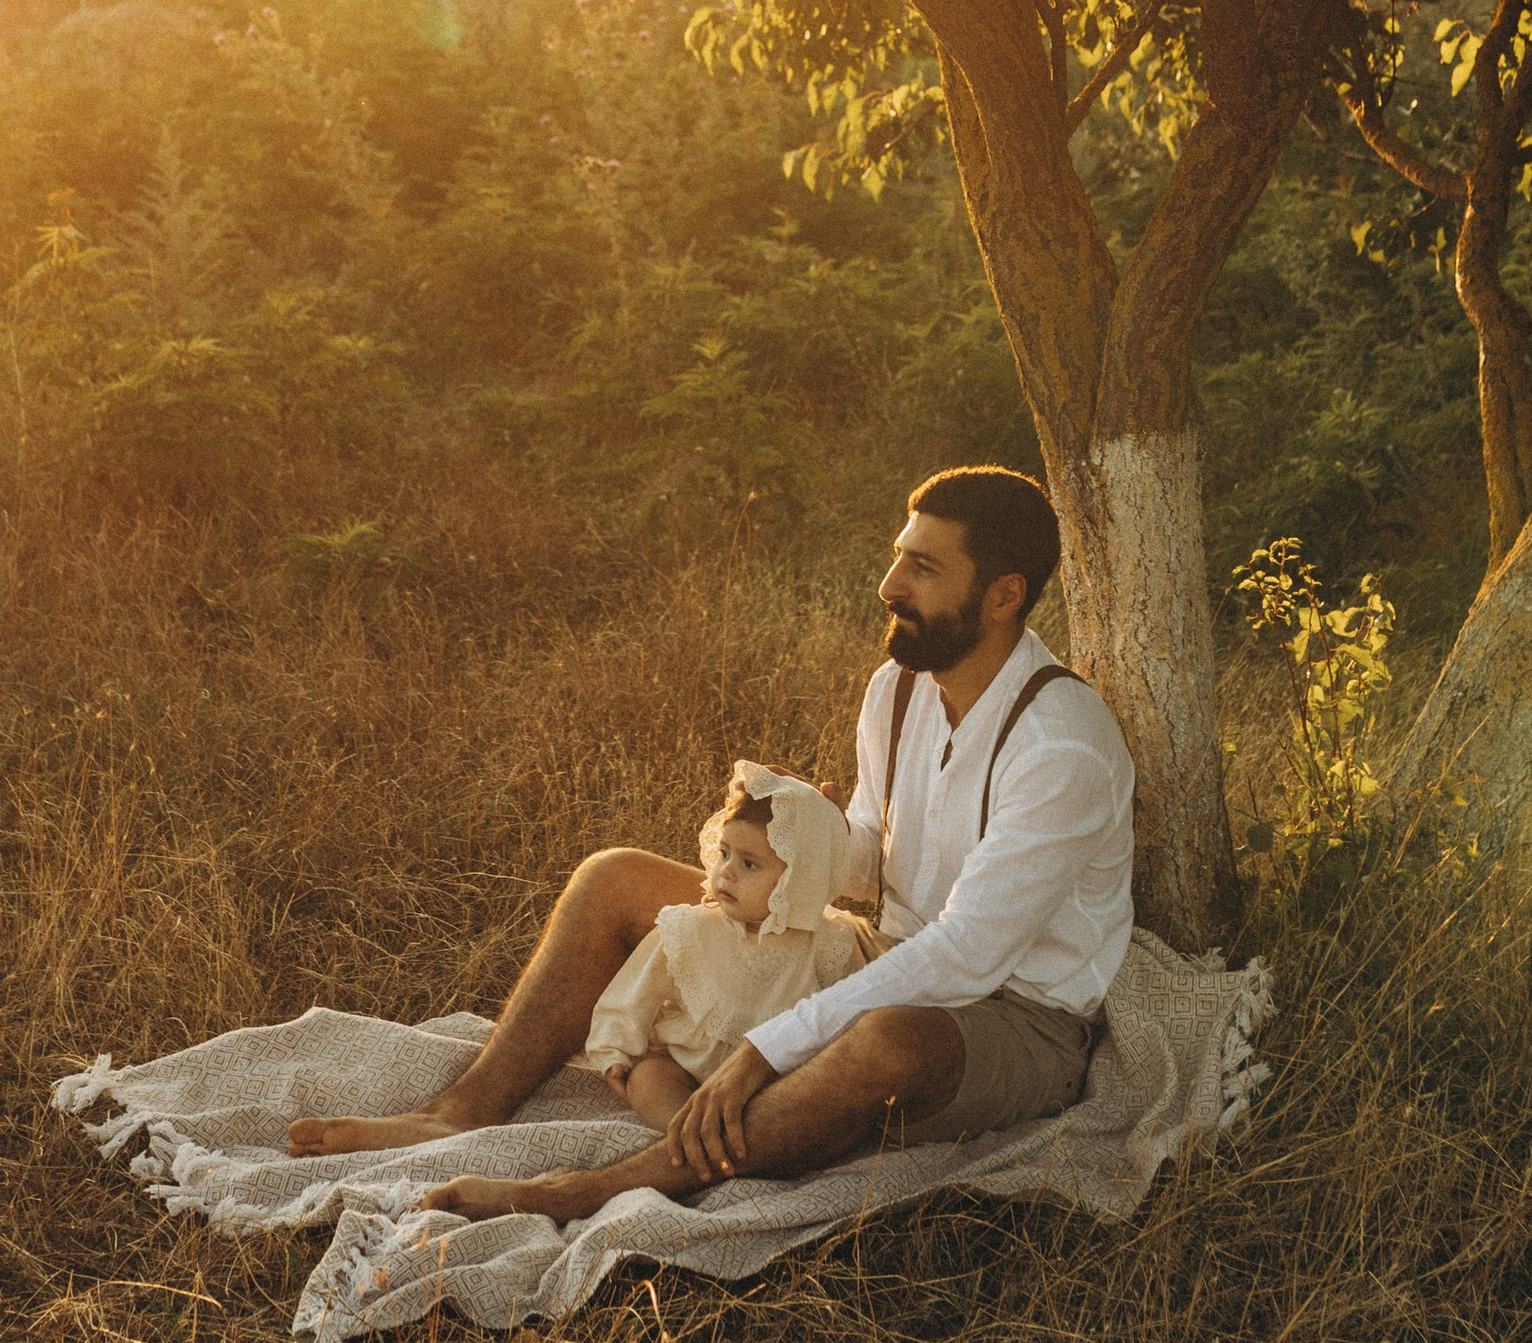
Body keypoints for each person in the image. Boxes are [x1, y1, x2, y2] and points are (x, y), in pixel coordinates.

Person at [284, 465, 1136, 1227]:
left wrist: (767, 1050)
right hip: (885, 954)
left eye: (923, 568)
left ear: (1003, 596)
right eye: (896, 557)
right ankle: (461, 1112)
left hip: (1016, 1019)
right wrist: (792, 831)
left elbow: (968, 954)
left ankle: (589, 1190)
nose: (889, 585)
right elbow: (876, 856)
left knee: (890, 1041)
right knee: (614, 878)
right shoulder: (898, 688)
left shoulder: (1061, 746)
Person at [585, 766, 861, 1127]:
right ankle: (687, 1134)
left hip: (769, 1084)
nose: (727, 872)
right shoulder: (689, 929)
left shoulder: (826, 943)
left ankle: (745, 1138)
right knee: (649, 1078)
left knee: (812, 1105)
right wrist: (614, 1052)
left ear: (799, 880)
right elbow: (631, 996)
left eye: (749, 864)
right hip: (685, 1068)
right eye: (724, 853)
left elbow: (848, 1018)